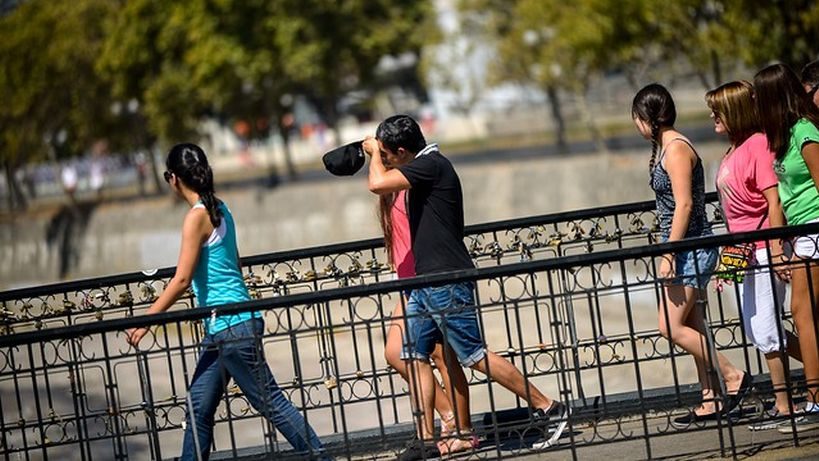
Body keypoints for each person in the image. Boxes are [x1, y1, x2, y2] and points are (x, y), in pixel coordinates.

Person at [364, 115, 569, 460]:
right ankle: (425, 441)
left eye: (387, 153)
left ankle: (549, 407)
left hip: (447, 279)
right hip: (425, 281)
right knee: (413, 355)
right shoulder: (424, 165)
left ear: (401, 151)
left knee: (474, 356)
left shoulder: (431, 165)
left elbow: (376, 185)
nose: (383, 159)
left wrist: (371, 153)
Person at [125, 143, 326, 460]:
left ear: (174, 178)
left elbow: (181, 279)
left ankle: (321, 457)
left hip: (231, 327)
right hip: (227, 326)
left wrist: (145, 320)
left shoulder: (196, 218)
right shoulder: (221, 208)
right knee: (198, 409)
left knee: (269, 401)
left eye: (167, 176)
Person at [632, 84, 751, 429]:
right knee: (693, 325)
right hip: (685, 248)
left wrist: (669, 253)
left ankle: (732, 376)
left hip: (691, 248)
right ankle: (710, 397)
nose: (636, 126)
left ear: (648, 118)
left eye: (637, 118)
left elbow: (684, 204)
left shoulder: (678, 149)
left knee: (669, 326)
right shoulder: (666, 147)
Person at [706, 81, 803, 430]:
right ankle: (808, 375)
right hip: (745, 251)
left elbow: (772, 201)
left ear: (735, 111)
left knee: (767, 328)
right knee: (758, 329)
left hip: (764, 249)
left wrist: (778, 249)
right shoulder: (732, 150)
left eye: (718, 109)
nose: (712, 116)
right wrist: (728, 264)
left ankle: (785, 405)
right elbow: (737, 217)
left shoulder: (757, 145)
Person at [378, 174, 476, 455]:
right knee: (397, 353)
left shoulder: (412, 186)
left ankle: (463, 431)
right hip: (408, 283)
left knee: (443, 356)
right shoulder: (391, 192)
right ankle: (449, 419)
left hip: (426, 281)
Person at [754, 63, 819, 433]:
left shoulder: (806, 132)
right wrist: (782, 242)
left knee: (802, 314)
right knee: (806, 316)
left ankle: (816, 399)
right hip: (801, 234)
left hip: (815, 230)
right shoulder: (783, 136)